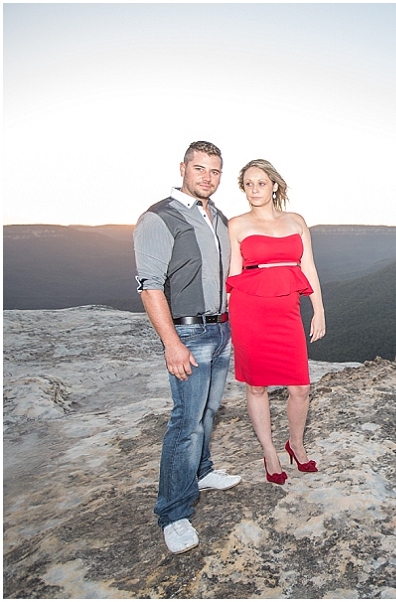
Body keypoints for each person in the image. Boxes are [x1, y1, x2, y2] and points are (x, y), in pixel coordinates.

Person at [134, 141, 242, 555]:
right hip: (190, 335)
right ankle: (174, 512)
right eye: (199, 169)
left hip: (221, 333)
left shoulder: (217, 217)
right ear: (182, 168)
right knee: (185, 423)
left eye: (214, 171)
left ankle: (202, 472)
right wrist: (172, 343)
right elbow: (150, 285)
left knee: (209, 412)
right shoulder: (159, 218)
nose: (207, 178)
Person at [226, 159, 326, 485]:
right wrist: (228, 320)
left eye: (261, 182)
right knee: (257, 385)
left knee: (301, 388)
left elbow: (308, 267)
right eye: (249, 184)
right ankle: (269, 450)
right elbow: (233, 272)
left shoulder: (296, 222)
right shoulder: (237, 225)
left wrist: (319, 310)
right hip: (249, 311)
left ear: (274, 186)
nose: (255, 189)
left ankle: (295, 443)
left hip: (287, 311)